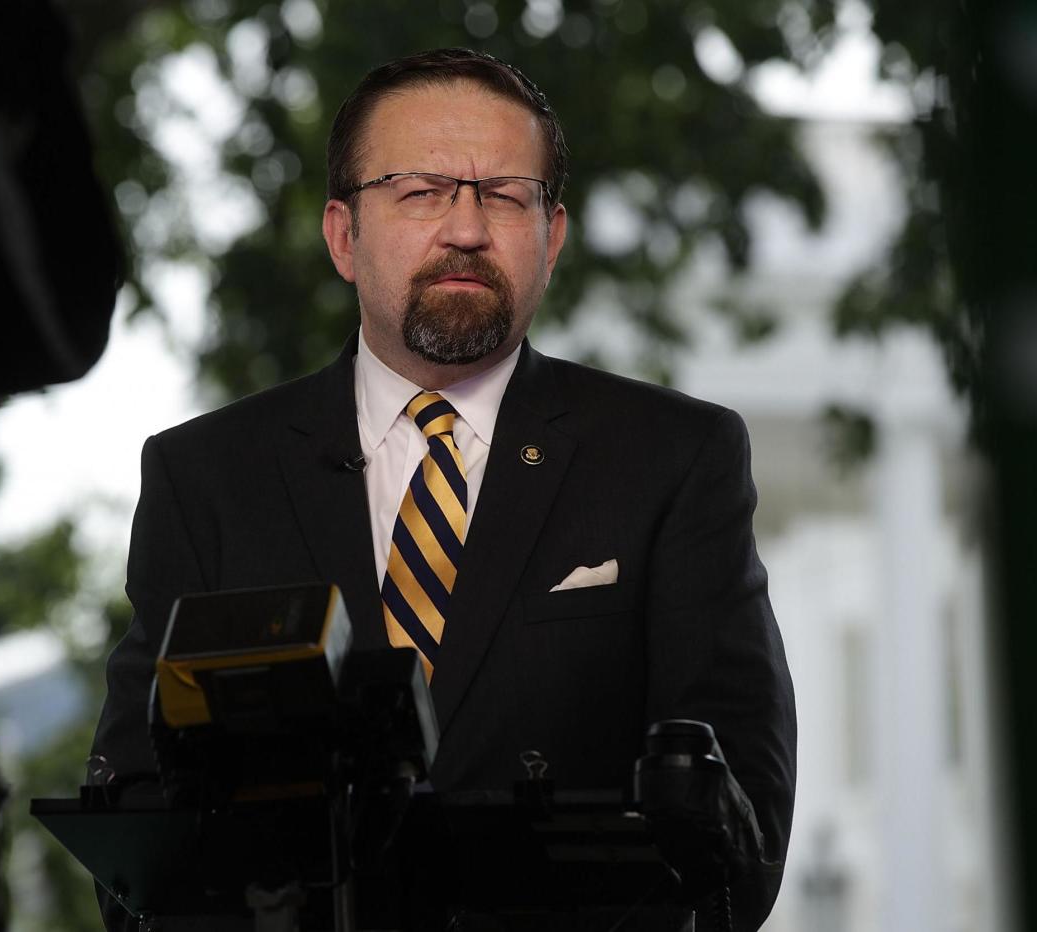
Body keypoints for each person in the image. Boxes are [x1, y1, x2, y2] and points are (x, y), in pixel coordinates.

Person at [92, 47, 796, 931]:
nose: (465, 229)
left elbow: (744, 825)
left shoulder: (674, 458)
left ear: (553, 236)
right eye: (421, 191)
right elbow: (134, 823)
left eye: (504, 195)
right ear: (344, 236)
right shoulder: (205, 478)